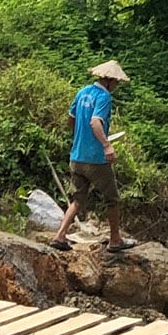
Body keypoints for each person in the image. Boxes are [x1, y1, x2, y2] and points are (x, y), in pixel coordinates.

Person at [50, 60, 135, 253]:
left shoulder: (82, 92)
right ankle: (115, 240)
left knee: (78, 200)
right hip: (96, 159)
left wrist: (80, 137)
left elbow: (70, 119)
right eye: (116, 83)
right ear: (110, 81)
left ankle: (60, 235)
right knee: (112, 198)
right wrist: (106, 145)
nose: (116, 87)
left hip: (77, 156)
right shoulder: (104, 97)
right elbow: (95, 122)